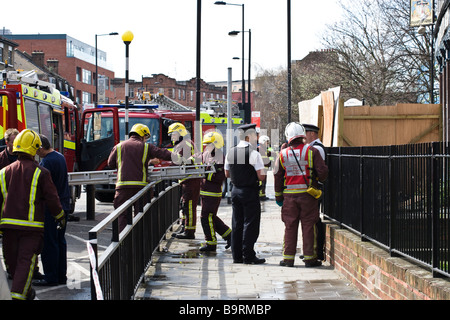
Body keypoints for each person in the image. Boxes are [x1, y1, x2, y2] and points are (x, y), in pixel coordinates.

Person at [0, 129, 65, 300]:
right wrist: (60, 216)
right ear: (35, 148)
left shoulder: (2, 173)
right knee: (25, 265)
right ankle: (20, 296)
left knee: (13, 266)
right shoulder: (41, 173)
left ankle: (22, 294)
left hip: (8, 229)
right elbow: (52, 198)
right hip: (31, 229)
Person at [274, 122, 328, 268]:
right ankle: (310, 259)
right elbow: (322, 173)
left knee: (290, 227)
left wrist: (279, 197)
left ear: (288, 137)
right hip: (308, 196)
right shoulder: (312, 151)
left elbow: (278, 177)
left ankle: (288, 259)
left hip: (289, 198)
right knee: (308, 226)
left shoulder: (282, 154)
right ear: (302, 135)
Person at [107, 123, 173, 232]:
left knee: (121, 215)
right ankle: (139, 242)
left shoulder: (119, 146)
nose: (145, 140)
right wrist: (180, 157)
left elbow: (111, 163)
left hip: (122, 187)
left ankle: (122, 243)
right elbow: (163, 154)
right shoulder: (146, 147)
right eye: (145, 138)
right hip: (140, 187)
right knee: (140, 216)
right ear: (142, 135)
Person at [225, 123, 266, 264]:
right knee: (250, 223)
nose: (256, 138)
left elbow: (226, 173)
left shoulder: (230, 152)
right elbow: (261, 176)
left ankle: (237, 256)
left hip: (235, 191)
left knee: (237, 223)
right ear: (248, 137)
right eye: (255, 135)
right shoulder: (254, 153)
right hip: (249, 192)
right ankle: (248, 255)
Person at [32, 134, 70, 287]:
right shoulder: (59, 156)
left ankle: (51, 276)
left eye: (36, 149)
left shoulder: (47, 162)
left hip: (52, 208)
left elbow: (45, 188)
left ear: (40, 147)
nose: (35, 153)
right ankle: (61, 275)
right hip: (64, 205)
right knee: (60, 241)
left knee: (50, 243)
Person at [168, 122, 201, 240]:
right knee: (185, 205)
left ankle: (189, 232)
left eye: (173, 134)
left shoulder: (184, 145)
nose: (171, 137)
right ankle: (185, 227)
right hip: (187, 180)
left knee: (189, 206)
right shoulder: (183, 144)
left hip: (191, 180)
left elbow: (177, 161)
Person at [199, 131, 231, 252]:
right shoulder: (206, 154)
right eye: (206, 144)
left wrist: (205, 174)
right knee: (211, 217)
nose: (207, 147)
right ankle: (229, 236)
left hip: (213, 193)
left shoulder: (220, 157)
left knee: (205, 217)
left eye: (210, 144)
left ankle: (211, 243)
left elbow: (220, 176)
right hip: (205, 191)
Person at [303, 123, 327, 261]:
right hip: (313, 188)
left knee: (313, 220)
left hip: (316, 188)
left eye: (305, 133)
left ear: (312, 134)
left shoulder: (317, 149)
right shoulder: (313, 148)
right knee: (312, 219)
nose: (303, 137)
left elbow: (319, 170)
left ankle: (316, 251)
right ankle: (311, 250)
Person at [258, 135, 272, 201]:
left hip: (265, 169)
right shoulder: (259, 149)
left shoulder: (265, 150)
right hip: (261, 169)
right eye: (266, 142)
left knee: (264, 182)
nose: (267, 144)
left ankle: (263, 195)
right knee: (261, 182)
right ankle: (261, 196)